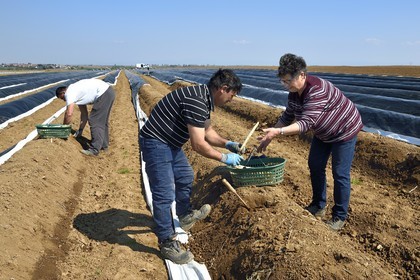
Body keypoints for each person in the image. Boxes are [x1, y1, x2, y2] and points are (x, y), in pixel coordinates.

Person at [140, 69, 244, 264]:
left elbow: (208, 133)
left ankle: (185, 214)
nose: (232, 99)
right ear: (223, 89)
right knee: (164, 192)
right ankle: (167, 242)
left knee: (185, 176)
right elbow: (198, 144)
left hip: (169, 143)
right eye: (232, 95)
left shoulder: (203, 98)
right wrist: (224, 158)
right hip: (156, 141)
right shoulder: (196, 100)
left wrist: (228, 144)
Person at [257, 53, 363, 231]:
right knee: (314, 164)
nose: (285, 85)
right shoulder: (294, 93)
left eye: (287, 80)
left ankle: (339, 216)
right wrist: (271, 134)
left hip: (344, 130)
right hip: (324, 133)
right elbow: (288, 115)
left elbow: (306, 123)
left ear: (302, 75)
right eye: (282, 81)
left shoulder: (317, 90)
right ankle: (318, 205)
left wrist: (278, 131)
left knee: (340, 173)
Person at [56, 78, 115, 156]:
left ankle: (94, 149)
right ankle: (103, 145)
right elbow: (84, 115)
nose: (64, 100)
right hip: (109, 92)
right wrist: (80, 130)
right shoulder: (77, 93)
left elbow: (69, 113)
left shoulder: (69, 93)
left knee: (95, 120)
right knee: (102, 121)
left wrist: (63, 128)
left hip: (103, 93)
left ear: (63, 92)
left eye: (62, 98)